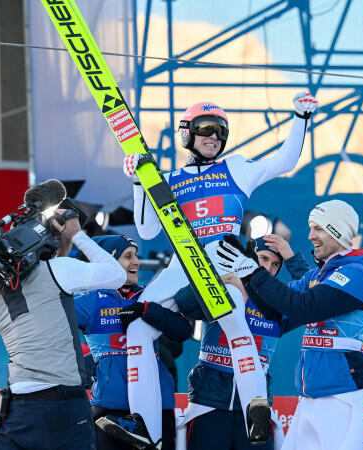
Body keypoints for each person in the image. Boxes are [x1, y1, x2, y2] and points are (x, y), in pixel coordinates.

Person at [105, 91, 319, 447]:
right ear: (187, 133)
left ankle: (256, 410)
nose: (214, 138)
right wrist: (139, 184)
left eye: (221, 131)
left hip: (221, 263)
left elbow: (284, 161)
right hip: (182, 265)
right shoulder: (170, 178)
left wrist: (300, 119)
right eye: (206, 129)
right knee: (138, 332)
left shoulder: (235, 168)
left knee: (236, 327)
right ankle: (148, 431)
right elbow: (146, 231)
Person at [0, 196, 128, 450]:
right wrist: (76, 234)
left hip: (19, 408)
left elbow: (40, 281)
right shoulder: (56, 271)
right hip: (64, 403)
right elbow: (116, 275)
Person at [229, 199, 363, 450]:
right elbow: (277, 315)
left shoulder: (356, 273)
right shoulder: (317, 275)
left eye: (317, 228)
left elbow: (303, 307)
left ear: (336, 230)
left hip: (342, 396)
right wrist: (246, 274)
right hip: (309, 398)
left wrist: (254, 273)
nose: (310, 235)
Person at [174, 235, 311, 450]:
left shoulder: (280, 304)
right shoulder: (227, 290)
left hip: (255, 410)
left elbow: (314, 296)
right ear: (248, 258)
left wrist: (291, 258)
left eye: (275, 264)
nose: (267, 268)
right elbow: (183, 302)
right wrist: (217, 281)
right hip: (210, 404)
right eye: (263, 258)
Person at [75, 235, 192, 450]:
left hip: (155, 408)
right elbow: (55, 319)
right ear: (109, 263)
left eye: (136, 256)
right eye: (128, 256)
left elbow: (183, 331)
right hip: (109, 408)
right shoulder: (91, 299)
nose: (136, 262)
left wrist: (147, 310)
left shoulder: (150, 295)